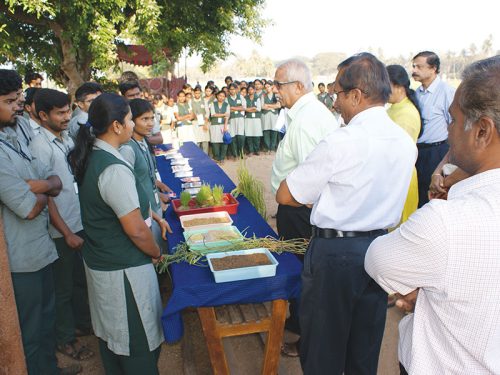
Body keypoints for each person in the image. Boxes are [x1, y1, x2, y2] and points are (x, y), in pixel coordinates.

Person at [276, 53, 416, 374]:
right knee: (364, 346)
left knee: (323, 347)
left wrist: (324, 196)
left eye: (337, 93)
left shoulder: (342, 141)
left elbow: (286, 194)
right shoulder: (404, 142)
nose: (334, 101)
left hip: (334, 254)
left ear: (356, 95)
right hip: (379, 250)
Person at [365, 55, 500, 375]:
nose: (448, 133)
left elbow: (377, 260)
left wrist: (423, 290)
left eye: (452, 120)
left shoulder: (447, 222)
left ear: (482, 131)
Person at [69, 93, 164, 374]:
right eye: (129, 120)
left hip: (103, 263)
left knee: (113, 341)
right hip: (124, 272)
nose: (134, 125)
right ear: (116, 126)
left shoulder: (94, 154)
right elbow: (135, 229)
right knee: (136, 344)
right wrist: (156, 252)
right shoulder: (113, 168)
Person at [0, 69, 83, 375]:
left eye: (18, 99)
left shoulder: (17, 129)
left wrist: (36, 184)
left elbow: (53, 182)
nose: (18, 106)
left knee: (47, 321)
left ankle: (51, 369)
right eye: (10, 101)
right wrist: (41, 185)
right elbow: (29, 209)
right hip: (21, 261)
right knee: (31, 331)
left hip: (41, 249)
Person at [271, 58, 338, 356]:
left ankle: (307, 336)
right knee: (302, 270)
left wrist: (293, 201)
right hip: (298, 207)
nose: (274, 90)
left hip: (300, 210)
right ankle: (298, 321)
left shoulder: (308, 119)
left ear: (299, 86)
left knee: (303, 273)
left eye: (279, 85)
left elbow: (315, 180)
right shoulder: (305, 114)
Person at [30, 88, 94, 362]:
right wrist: (66, 232)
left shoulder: (67, 139)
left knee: (79, 281)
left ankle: (80, 324)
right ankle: (65, 340)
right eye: (60, 113)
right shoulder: (39, 146)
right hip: (60, 229)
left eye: (68, 110)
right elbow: (46, 196)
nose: (67, 116)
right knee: (63, 288)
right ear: (43, 115)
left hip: (77, 221)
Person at [119, 98, 173, 254]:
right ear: (131, 121)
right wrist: (155, 215)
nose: (150, 123)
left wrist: (158, 190)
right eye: (144, 119)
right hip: (146, 214)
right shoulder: (128, 149)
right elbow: (131, 191)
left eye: (152, 118)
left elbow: (144, 176)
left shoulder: (143, 142)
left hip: (155, 208)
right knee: (154, 254)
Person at [412, 51, 455, 207]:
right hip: (418, 152)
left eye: (419, 66)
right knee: (418, 194)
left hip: (437, 152)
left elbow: (454, 124)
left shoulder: (446, 92)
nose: (414, 70)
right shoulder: (417, 93)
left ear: (433, 68)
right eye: (413, 66)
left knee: (433, 195)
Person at [387, 64, 422, 224]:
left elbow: (399, 154)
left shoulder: (406, 113)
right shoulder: (393, 108)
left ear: (399, 87)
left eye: (386, 87)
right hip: (392, 176)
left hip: (401, 178)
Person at [119, 81, 163, 145]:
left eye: (137, 94)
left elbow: (159, 138)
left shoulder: (148, 109)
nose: (136, 97)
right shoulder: (120, 114)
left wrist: (141, 139)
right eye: (131, 95)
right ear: (123, 97)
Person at [207, 90, 230, 163]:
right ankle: (216, 157)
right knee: (215, 141)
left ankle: (222, 158)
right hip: (214, 124)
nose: (221, 97)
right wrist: (224, 114)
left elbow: (227, 116)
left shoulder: (227, 105)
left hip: (224, 124)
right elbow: (213, 114)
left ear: (225, 97)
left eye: (223, 96)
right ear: (217, 96)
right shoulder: (213, 104)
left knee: (224, 141)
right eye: (220, 96)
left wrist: (225, 126)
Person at [261, 80, 281, 153]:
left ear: (272, 86)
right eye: (265, 87)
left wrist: (268, 106)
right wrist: (273, 106)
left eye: (268, 87)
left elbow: (279, 105)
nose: (267, 88)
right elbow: (262, 107)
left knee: (274, 131)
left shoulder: (276, 95)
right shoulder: (263, 96)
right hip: (265, 115)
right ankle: (267, 148)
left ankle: (272, 148)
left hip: (274, 116)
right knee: (266, 131)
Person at [227, 83, 246, 158]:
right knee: (233, 136)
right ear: (229, 90)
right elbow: (227, 109)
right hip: (231, 119)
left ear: (236, 89)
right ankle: (235, 154)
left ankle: (241, 152)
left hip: (240, 119)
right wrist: (238, 108)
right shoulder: (227, 98)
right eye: (230, 89)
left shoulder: (240, 97)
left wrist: (233, 108)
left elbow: (244, 107)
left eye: (233, 89)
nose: (232, 91)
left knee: (240, 136)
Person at [244, 84, 263, 155]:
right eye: (249, 89)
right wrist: (253, 108)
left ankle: (256, 150)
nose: (250, 91)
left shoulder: (257, 98)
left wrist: (250, 109)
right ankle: (251, 150)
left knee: (256, 134)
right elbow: (245, 109)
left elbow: (259, 109)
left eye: (252, 89)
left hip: (256, 119)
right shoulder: (245, 98)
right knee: (249, 134)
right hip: (248, 118)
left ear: (254, 90)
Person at [191, 87, 210, 154]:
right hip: (195, 123)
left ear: (201, 93)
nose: (197, 95)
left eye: (199, 93)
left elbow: (207, 112)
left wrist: (205, 123)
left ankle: (206, 157)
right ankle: (197, 156)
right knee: (197, 141)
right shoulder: (190, 101)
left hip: (204, 122)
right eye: (196, 93)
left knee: (205, 141)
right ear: (193, 93)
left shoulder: (204, 100)